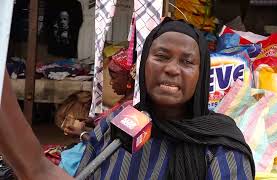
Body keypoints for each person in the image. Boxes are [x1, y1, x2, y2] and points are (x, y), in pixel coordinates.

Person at [0, 18, 255, 180]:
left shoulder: (221, 146)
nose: (172, 69)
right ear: (143, 66)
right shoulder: (116, 126)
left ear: (201, 76)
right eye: (162, 56)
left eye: (187, 62)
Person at [63, 48, 135, 138]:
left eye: (113, 77)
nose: (110, 82)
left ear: (128, 78)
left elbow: (109, 144)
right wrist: (91, 121)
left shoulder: (131, 108)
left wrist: (81, 134)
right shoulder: (126, 101)